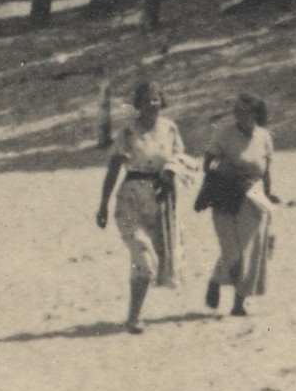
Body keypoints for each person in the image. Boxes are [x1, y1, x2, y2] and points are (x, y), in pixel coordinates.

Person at [94, 79, 185, 334]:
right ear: (138, 104)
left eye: (156, 99)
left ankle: (134, 314)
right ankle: (134, 318)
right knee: (143, 258)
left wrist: (171, 172)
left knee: (152, 262)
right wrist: (103, 204)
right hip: (131, 200)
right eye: (147, 100)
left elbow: (181, 159)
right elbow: (113, 168)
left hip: (160, 203)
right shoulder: (128, 132)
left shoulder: (170, 129)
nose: (153, 104)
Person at [198, 94, 276, 317]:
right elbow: (208, 163)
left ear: (255, 114)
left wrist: (268, 198)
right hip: (226, 192)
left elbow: (267, 170)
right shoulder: (225, 134)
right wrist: (227, 170)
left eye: (244, 111)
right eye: (236, 110)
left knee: (251, 251)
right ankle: (215, 281)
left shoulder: (264, 137)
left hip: (254, 196)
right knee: (232, 250)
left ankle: (238, 304)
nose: (238, 115)